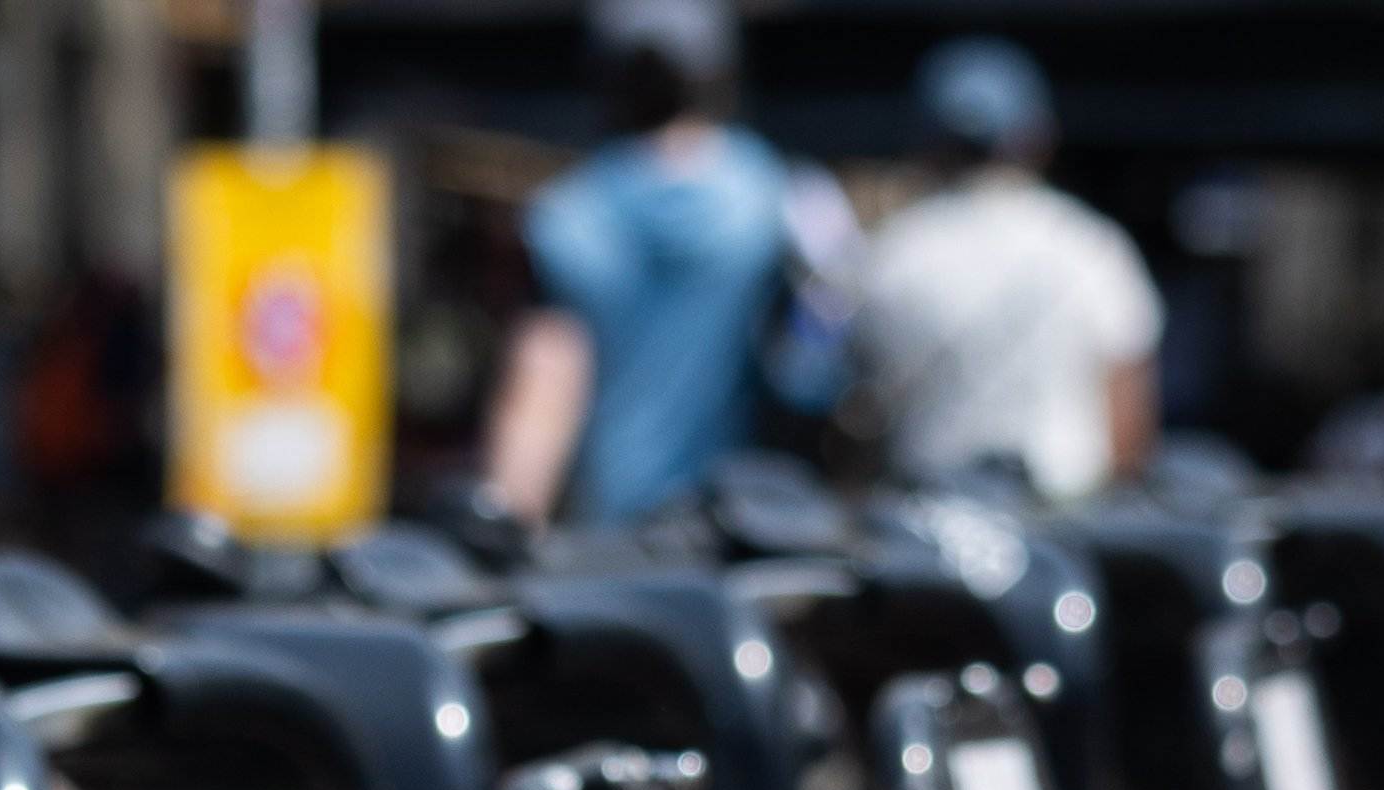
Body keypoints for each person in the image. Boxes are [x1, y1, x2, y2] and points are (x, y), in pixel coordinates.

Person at [478, 0, 822, 528]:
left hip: (617, 540)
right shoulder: (777, 197)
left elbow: (543, 391)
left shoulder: (569, 215)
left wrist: (506, 529)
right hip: (750, 531)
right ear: (718, 73)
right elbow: (819, 373)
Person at [846, 38, 1164, 502]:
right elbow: (1130, 423)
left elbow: (855, 415)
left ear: (930, 142)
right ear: (1037, 138)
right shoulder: (1092, 246)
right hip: (1067, 526)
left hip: (930, 532)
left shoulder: (888, 256)